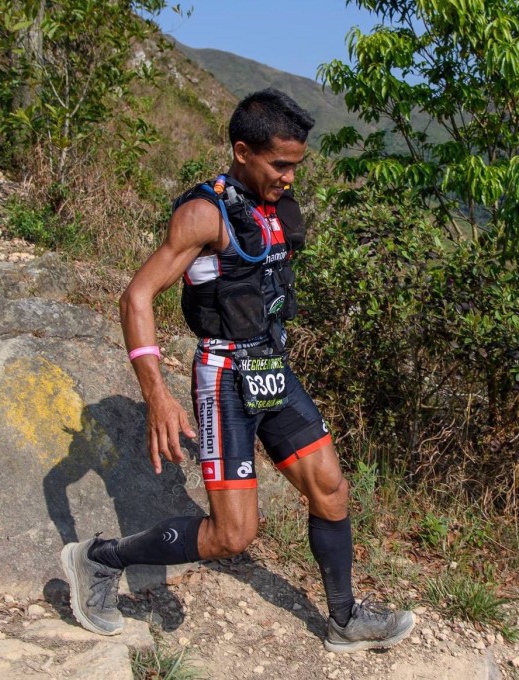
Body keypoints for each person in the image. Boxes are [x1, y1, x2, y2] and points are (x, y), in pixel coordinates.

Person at [60, 88, 414, 653]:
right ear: (242, 150)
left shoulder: (272, 204)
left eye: (297, 165)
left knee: (331, 489)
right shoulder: (203, 214)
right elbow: (137, 298)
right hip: (223, 376)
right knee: (233, 535)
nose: (290, 178)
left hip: (272, 367)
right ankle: (99, 560)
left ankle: (344, 619)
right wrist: (156, 396)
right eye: (280, 165)